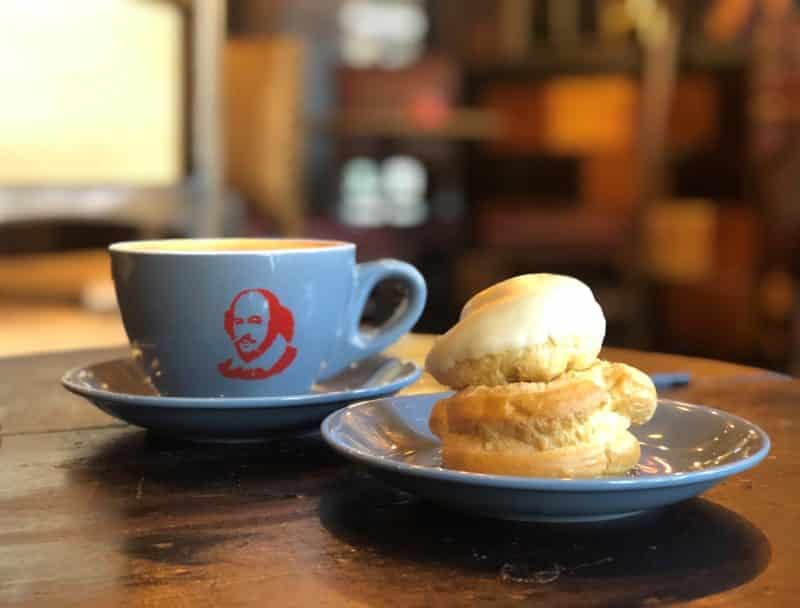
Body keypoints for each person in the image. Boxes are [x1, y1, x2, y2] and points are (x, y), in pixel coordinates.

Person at [218, 288, 297, 380]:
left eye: (254, 322)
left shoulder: (288, 357)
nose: (245, 332)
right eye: (238, 322)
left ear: (273, 324)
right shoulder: (229, 366)